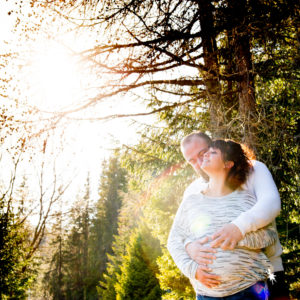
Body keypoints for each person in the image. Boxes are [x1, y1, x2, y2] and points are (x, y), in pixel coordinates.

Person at [177, 132, 289, 299]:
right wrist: (189, 246)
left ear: (213, 147)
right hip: (210, 291)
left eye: (202, 154)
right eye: (192, 161)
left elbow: (271, 203)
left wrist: (238, 227)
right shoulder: (192, 191)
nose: (199, 163)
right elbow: (181, 232)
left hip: (263, 275)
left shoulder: (254, 169)